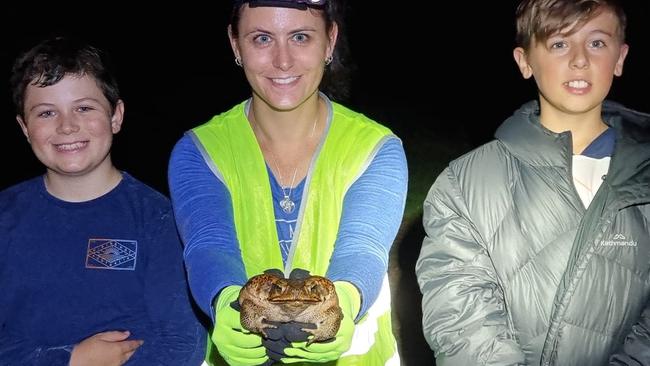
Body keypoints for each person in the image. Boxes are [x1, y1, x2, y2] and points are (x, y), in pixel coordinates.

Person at [168, 0, 408, 365]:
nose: (283, 60)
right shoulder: (198, 150)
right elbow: (208, 244)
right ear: (236, 46)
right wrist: (227, 304)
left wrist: (342, 304)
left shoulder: (377, 148)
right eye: (262, 38)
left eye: (300, 36)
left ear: (329, 42)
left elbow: (364, 247)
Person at [416, 0, 650, 365]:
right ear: (524, 61)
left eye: (597, 42)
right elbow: (462, 321)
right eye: (559, 43)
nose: (579, 59)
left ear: (619, 58)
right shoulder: (464, 184)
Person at [0, 36, 206, 365]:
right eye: (46, 113)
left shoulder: (160, 220)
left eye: (84, 108)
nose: (67, 126)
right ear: (24, 128)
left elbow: (181, 343)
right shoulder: (5, 217)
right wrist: (70, 360)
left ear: (116, 116)